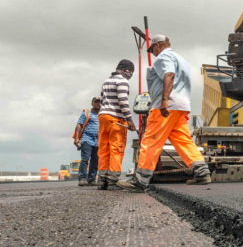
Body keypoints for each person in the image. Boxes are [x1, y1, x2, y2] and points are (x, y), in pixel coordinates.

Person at [118, 35, 211, 192]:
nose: (153, 52)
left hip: (166, 107)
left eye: (152, 49)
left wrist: (164, 101)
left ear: (158, 45)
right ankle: (201, 172)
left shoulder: (163, 57)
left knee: (150, 141)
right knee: (183, 140)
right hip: (181, 106)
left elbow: (169, 75)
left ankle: (140, 181)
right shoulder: (181, 59)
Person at [97, 60, 136, 190]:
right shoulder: (123, 81)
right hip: (115, 119)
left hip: (103, 117)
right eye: (131, 72)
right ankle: (113, 181)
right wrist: (129, 119)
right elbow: (123, 101)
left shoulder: (106, 81)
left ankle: (102, 181)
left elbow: (102, 100)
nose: (131, 75)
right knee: (116, 148)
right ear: (126, 71)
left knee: (103, 149)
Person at [73, 97, 101, 186]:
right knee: (85, 159)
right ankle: (82, 178)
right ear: (92, 103)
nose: (97, 103)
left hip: (98, 141)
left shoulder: (103, 115)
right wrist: (77, 138)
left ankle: (92, 179)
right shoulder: (86, 113)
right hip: (87, 139)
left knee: (95, 160)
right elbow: (79, 125)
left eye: (99, 102)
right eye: (95, 102)